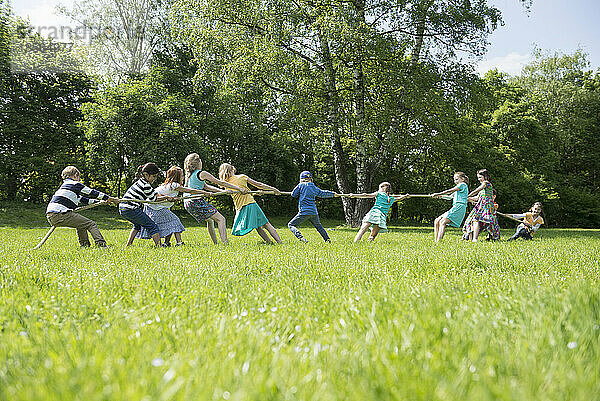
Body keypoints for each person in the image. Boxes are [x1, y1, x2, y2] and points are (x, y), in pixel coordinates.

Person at [136, 166, 214, 246]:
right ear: (177, 176)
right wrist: (204, 193)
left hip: (153, 206)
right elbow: (189, 190)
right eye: (182, 175)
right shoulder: (174, 185)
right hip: (155, 207)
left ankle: (166, 243)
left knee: (169, 222)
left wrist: (174, 198)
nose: (183, 177)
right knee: (174, 220)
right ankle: (179, 242)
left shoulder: (169, 185)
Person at [46, 166, 118, 247]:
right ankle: (101, 245)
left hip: (52, 216)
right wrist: (111, 198)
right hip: (61, 214)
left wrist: (102, 202)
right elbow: (92, 192)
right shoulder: (75, 184)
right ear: (76, 175)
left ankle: (84, 246)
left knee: (81, 225)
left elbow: (85, 200)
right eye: (79, 177)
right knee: (91, 224)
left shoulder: (65, 187)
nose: (79, 179)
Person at [183, 153, 245, 244]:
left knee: (210, 220)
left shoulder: (189, 176)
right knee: (221, 219)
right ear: (199, 162)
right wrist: (238, 188)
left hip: (188, 203)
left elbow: (207, 187)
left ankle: (216, 243)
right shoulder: (202, 173)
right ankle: (225, 243)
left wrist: (223, 192)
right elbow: (220, 182)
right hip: (196, 201)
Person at [218, 163, 282, 244]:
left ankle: (269, 243)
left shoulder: (226, 183)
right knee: (266, 224)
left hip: (240, 207)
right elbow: (259, 184)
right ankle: (279, 242)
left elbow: (242, 193)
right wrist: (274, 189)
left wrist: (255, 193)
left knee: (259, 227)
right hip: (250, 204)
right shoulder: (241, 177)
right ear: (232, 170)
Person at [119, 163, 173, 247]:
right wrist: (167, 198)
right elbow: (154, 199)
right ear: (146, 175)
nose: (155, 179)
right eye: (153, 176)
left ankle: (128, 245)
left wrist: (167, 197)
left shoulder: (140, 182)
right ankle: (159, 246)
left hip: (123, 208)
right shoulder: (146, 185)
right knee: (152, 226)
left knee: (137, 225)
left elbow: (155, 194)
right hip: (131, 208)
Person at [288, 170, 338, 243]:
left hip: (304, 212)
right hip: (313, 212)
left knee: (291, 224)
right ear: (311, 178)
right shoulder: (313, 187)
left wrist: (300, 192)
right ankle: (328, 240)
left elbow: (293, 194)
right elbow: (322, 193)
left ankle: (301, 238)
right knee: (319, 227)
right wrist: (333, 194)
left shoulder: (300, 185)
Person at [430, 172, 469, 242]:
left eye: (457, 179)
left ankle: (439, 241)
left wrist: (438, 193)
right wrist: (440, 196)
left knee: (443, 222)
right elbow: (449, 197)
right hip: (455, 206)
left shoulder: (462, 185)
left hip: (459, 206)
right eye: (454, 180)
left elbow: (449, 191)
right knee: (437, 221)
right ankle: (436, 241)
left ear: (463, 179)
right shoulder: (458, 190)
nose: (455, 181)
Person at [463, 169, 500, 242]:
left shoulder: (486, 183)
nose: (479, 179)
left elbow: (476, 190)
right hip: (480, 206)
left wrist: (469, 195)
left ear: (485, 176)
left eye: (480, 177)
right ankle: (472, 238)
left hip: (487, 206)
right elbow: (477, 197)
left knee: (477, 219)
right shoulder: (482, 188)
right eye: (478, 178)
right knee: (472, 220)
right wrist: (468, 198)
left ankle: (475, 239)